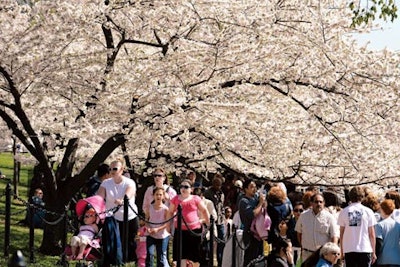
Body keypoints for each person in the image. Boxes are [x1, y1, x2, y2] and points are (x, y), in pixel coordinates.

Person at [97, 158, 139, 263]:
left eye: (115, 169)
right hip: (112, 217)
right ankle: (115, 262)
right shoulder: (106, 183)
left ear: (122, 170)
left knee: (129, 242)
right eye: (110, 169)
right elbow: (99, 197)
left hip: (129, 216)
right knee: (114, 241)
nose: (112, 171)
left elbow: (129, 194)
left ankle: (129, 262)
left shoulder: (130, 182)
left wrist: (122, 200)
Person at [167, 179, 210, 267]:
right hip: (180, 231)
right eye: (181, 186)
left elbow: (204, 210)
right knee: (180, 257)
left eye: (186, 187)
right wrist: (168, 226)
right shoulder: (175, 199)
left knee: (195, 257)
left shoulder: (195, 198)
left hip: (194, 231)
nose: (183, 189)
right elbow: (170, 212)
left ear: (191, 189)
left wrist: (206, 221)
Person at [337, 186, 377, 267]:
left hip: (349, 248)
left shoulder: (344, 212)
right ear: (362, 197)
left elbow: (341, 234)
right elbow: (372, 234)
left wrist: (342, 251)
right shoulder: (368, 212)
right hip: (364, 248)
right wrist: (373, 252)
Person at [295, 193, 339, 262]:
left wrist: (332, 253)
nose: (318, 204)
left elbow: (334, 236)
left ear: (324, 203)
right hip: (307, 254)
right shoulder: (303, 216)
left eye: (321, 202)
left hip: (323, 255)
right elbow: (299, 233)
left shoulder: (329, 217)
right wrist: (304, 246)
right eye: (316, 202)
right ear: (311, 203)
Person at [238, 179, 267, 267]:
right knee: (250, 258)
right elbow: (252, 214)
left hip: (259, 233)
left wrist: (263, 202)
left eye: (255, 187)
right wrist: (261, 203)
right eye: (251, 187)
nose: (254, 189)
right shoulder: (243, 201)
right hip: (250, 233)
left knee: (260, 257)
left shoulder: (256, 198)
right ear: (245, 189)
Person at [203, 175, 225, 267]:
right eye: (216, 185)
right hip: (210, 221)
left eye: (219, 185)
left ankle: (220, 262)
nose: (218, 187)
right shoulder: (208, 193)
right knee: (208, 243)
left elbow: (222, 206)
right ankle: (208, 262)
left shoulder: (221, 194)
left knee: (221, 242)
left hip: (220, 221)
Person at [145, 187, 170, 267]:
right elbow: (147, 219)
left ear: (163, 196)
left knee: (161, 256)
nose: (158, 196)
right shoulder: (150, 207)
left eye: (160, 195)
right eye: (157, 194)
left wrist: (158, 229)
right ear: (153, 196)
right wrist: (148, 228)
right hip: (151, 234)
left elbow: (167, 223)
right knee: (150, 254)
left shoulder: (166, 209)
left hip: (162, 235)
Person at [374, 199, 400, 266]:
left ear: (382, 209)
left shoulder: (379, 225)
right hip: (396, 259)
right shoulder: (398, 225)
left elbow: (379, 243)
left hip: (383, 259)